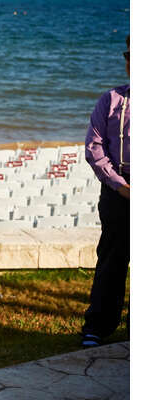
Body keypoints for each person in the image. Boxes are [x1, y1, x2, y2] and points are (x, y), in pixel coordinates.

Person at [80, 35, 130, 348]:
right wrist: (120, 186)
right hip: (118, 193)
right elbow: (94, 148)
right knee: (111, 260)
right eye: (129, 53)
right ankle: (97, 327)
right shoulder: (110, 100)